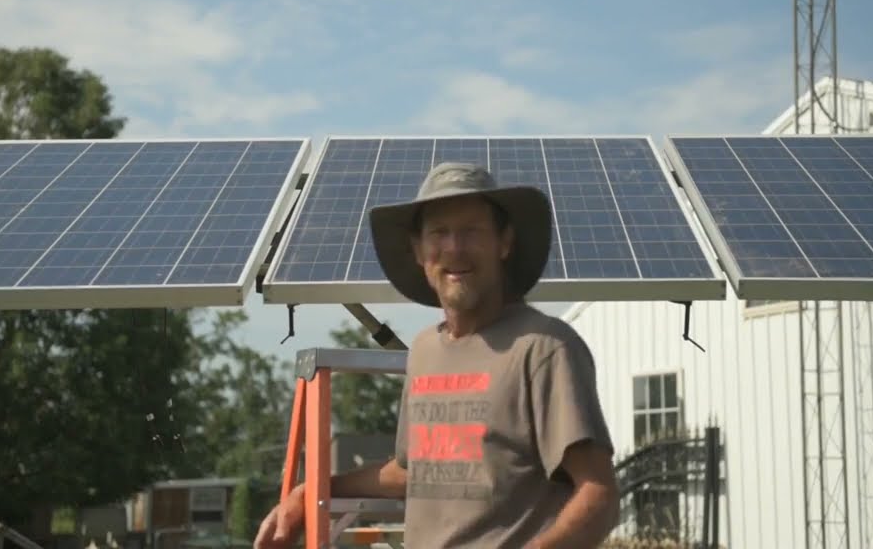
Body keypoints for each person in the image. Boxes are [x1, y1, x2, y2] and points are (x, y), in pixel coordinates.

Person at [255, 162, 619, 548]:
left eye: (471, 232)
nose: (454, 248)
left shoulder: (544, 348)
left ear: (504, 242)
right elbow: (413, 472)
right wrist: (310, 491)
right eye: (439, 233)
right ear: (418, 250)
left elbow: (600, 496)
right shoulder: (425, 350)